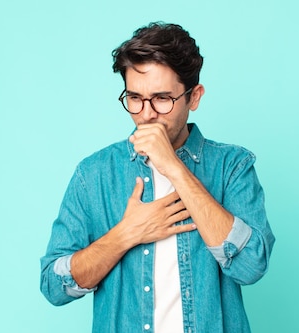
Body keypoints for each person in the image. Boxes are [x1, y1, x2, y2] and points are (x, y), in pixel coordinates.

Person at [40, 22, 275, 333]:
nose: (147, 114)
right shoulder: (94, 174)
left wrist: (174, 167)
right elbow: (54, 286)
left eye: (163, 99)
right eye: (135, 98)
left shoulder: (231, 166)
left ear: (194, 97)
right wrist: (126, 234)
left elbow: (250, 266)